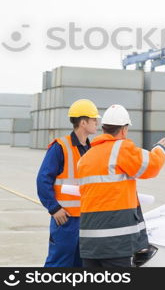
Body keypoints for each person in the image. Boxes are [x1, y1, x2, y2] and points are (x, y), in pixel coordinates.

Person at [77, 103, 165, 268]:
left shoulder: (85, 157)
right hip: (115, 244)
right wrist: (160, 149)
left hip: (89, 243)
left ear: (103, 128)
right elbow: (152, 166)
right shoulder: (120, 148)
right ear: (124, 129)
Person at [36, 99, 100, 267]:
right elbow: (43, 180)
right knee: (59, 264)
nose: (97, 123)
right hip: (66, 220)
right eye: (94, 120)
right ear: (83, 122)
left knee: (82, 265)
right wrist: (54, 208)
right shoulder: (60, 147)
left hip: (86, 220)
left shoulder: (90, 149)